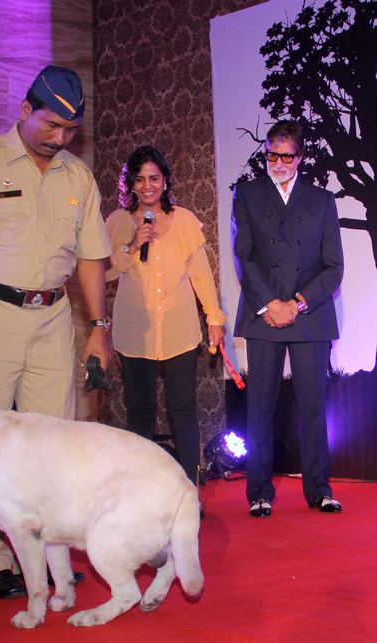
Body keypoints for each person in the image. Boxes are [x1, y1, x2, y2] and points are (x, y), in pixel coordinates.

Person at [0, 65, 111, 598]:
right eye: (51, 125)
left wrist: (97, 328)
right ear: (26, 111)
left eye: (70, 130)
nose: (60, 138)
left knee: (53, 445)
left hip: (54, 319)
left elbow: (92, 259)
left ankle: (51, 558)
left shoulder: (78, 176)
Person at [231, 119, 344, 518]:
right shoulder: (246, 193)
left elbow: (334, 268)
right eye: (271, 155)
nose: (278, 162)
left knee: (313, 408)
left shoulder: (321, 200)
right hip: (264, 316)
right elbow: (244, 257)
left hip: (309, 316)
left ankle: (319, 490)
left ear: (300, 157)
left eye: (286, 155)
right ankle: (259, 492)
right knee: (260, 409)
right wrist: (270, 306)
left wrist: (296, 304)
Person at [105, 145, 226, 485]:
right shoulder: (117, 221)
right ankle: (140, 493)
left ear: (165, 181)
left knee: (182, 409)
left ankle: (188, 491)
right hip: (135, 331)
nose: (147, 186)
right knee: (140, 411)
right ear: (130, 184)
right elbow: (103, 273)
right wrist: (130, 245)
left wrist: (214, 317)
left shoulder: (185, 220)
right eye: (140, 179)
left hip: (179, 329)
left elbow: (202, 274)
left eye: (154, 178)